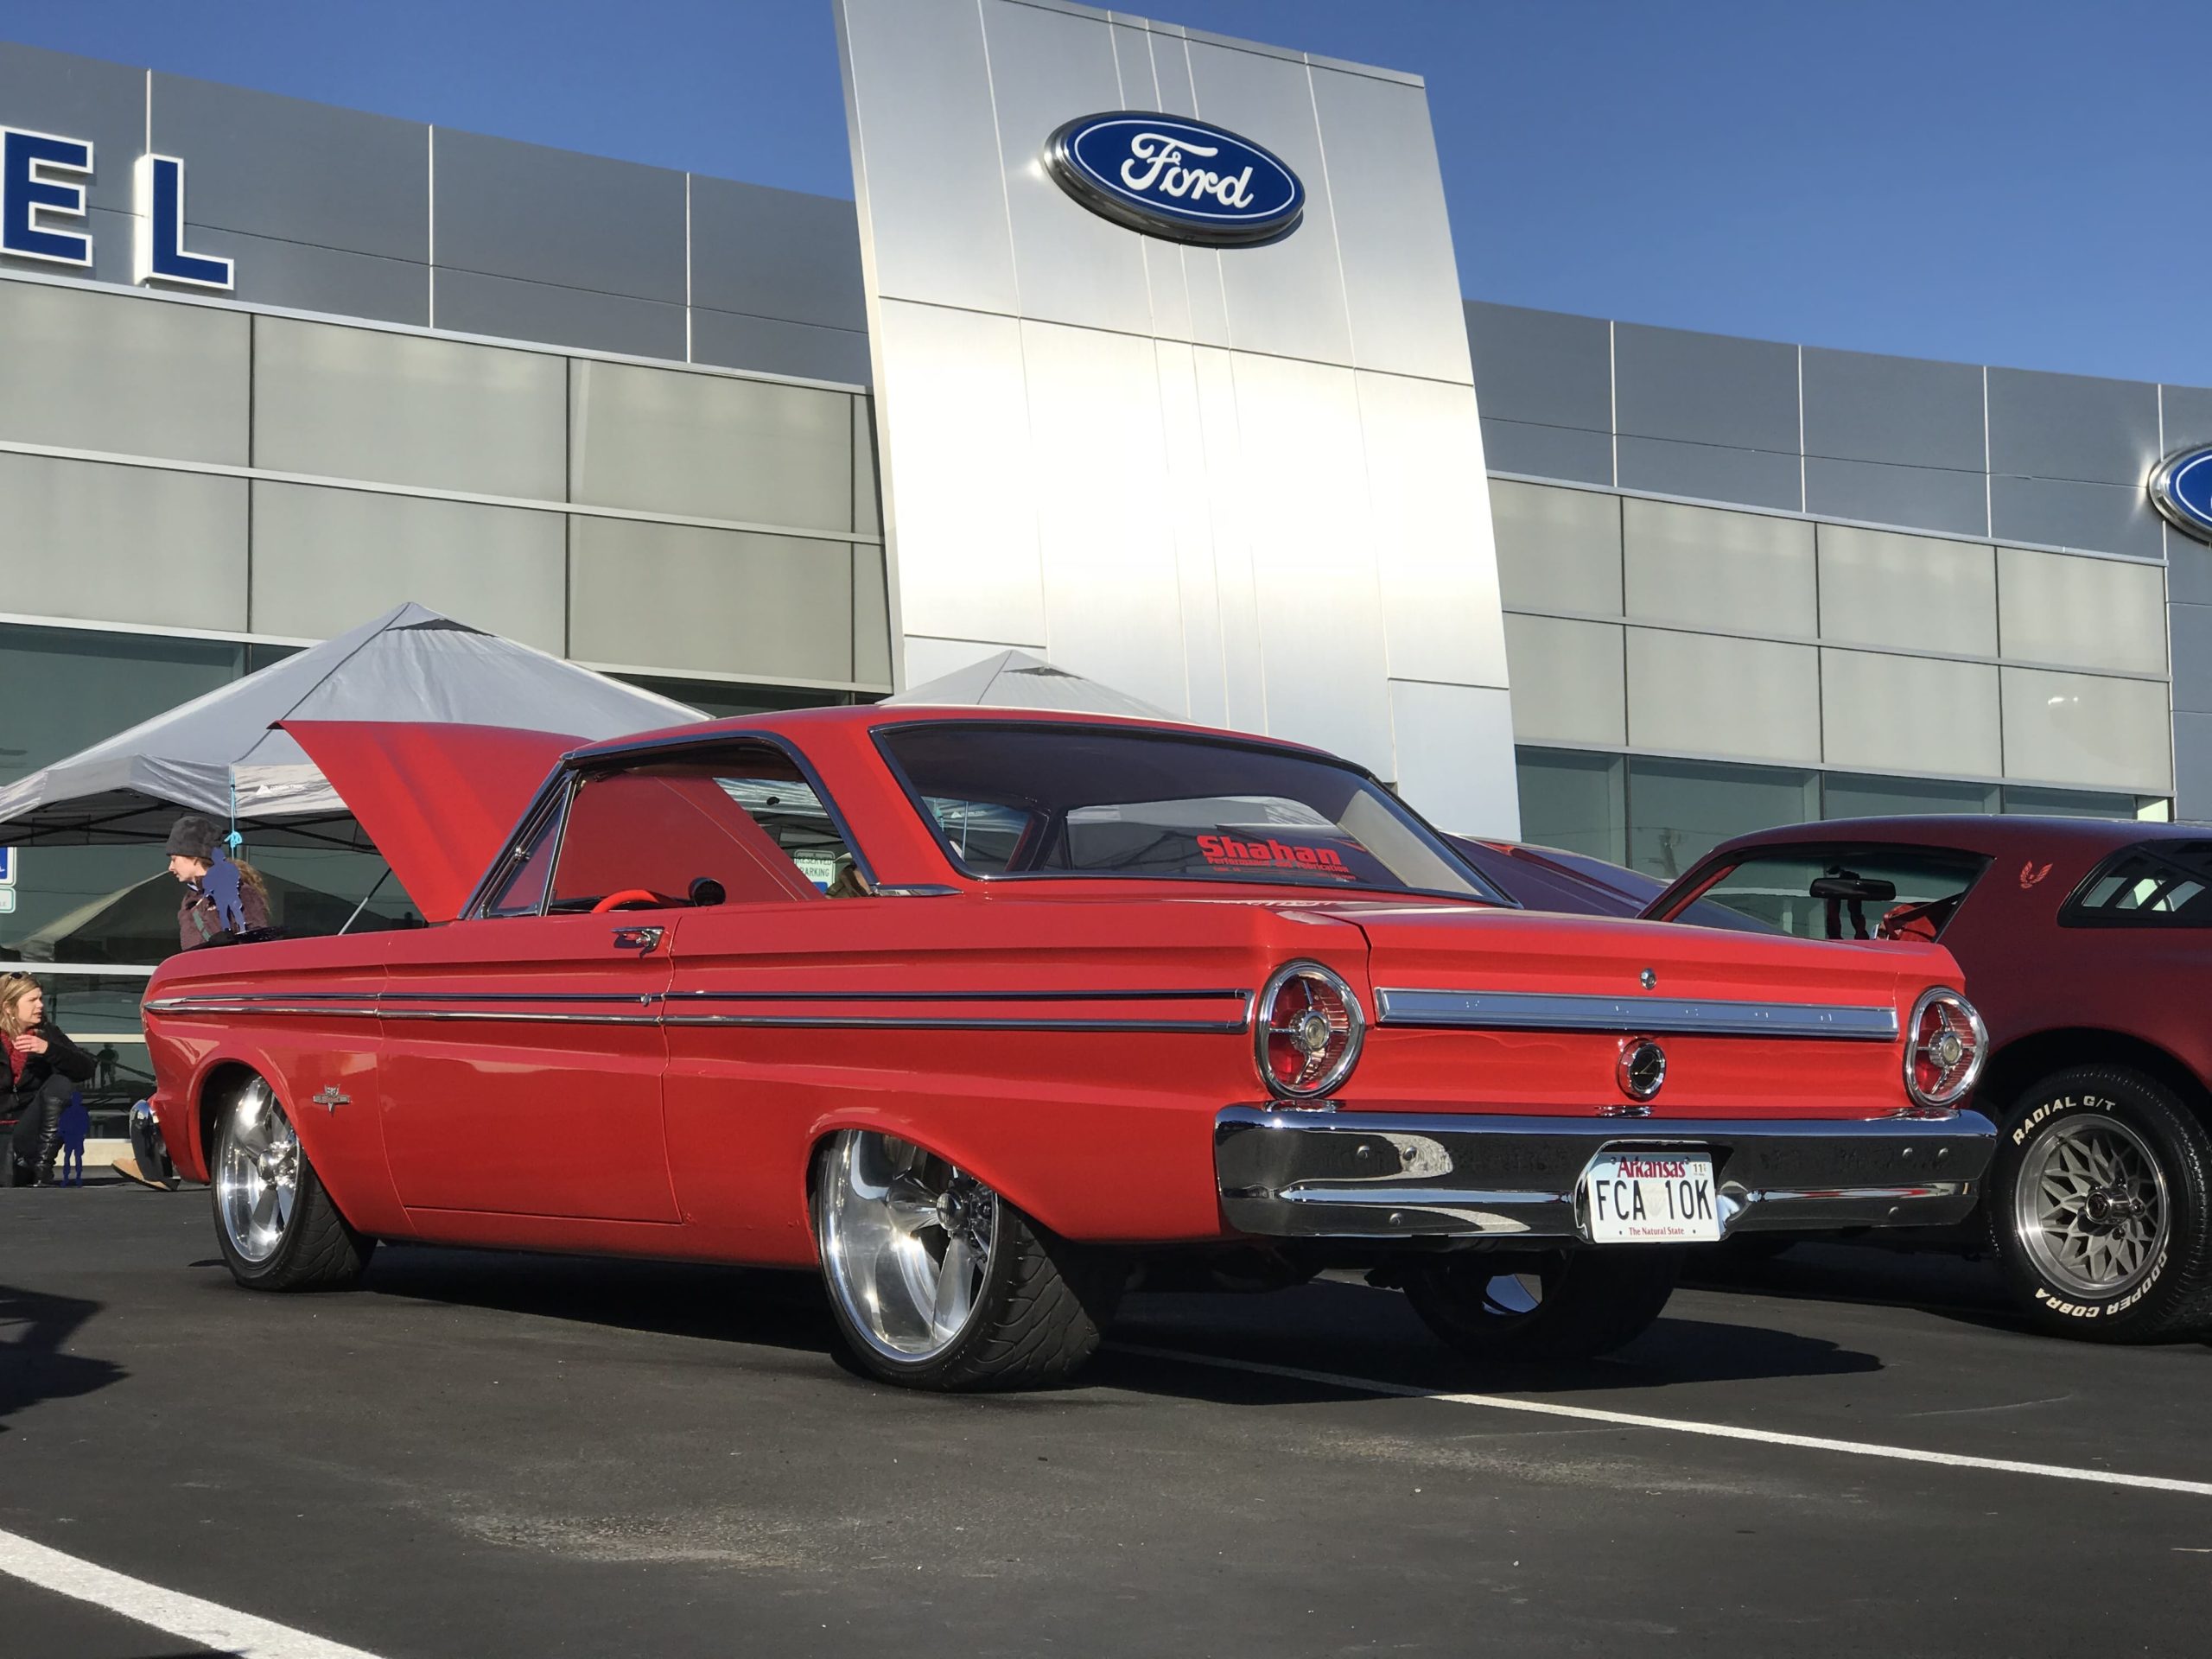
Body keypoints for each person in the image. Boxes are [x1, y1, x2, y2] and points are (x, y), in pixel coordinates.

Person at [2, 973, 95, 1188]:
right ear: (9, 1007)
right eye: (32, 1000)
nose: (40, 1005)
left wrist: (48, 1049)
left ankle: (42, 1168)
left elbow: (86, 1068)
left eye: (40, 999)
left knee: (62, 1084)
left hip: (28, 1130)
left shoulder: (47, 1033)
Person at [165, 813, 273, 951]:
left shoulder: (239, 891)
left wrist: (230, 945)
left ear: (194, 857)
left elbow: (258, 944)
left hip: (228, 971)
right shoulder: (189, 901)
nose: (171, 867)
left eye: (174, 859)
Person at [56, 1090, 88, 1187]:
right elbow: (86, 1124)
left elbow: (62, 1123)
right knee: (74, 1157)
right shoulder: (80, 1111)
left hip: (73, 1136)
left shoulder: (69, 1111)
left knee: (71, 1157)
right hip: (74, 1136)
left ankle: (71, 1177)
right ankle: (74, 1177)